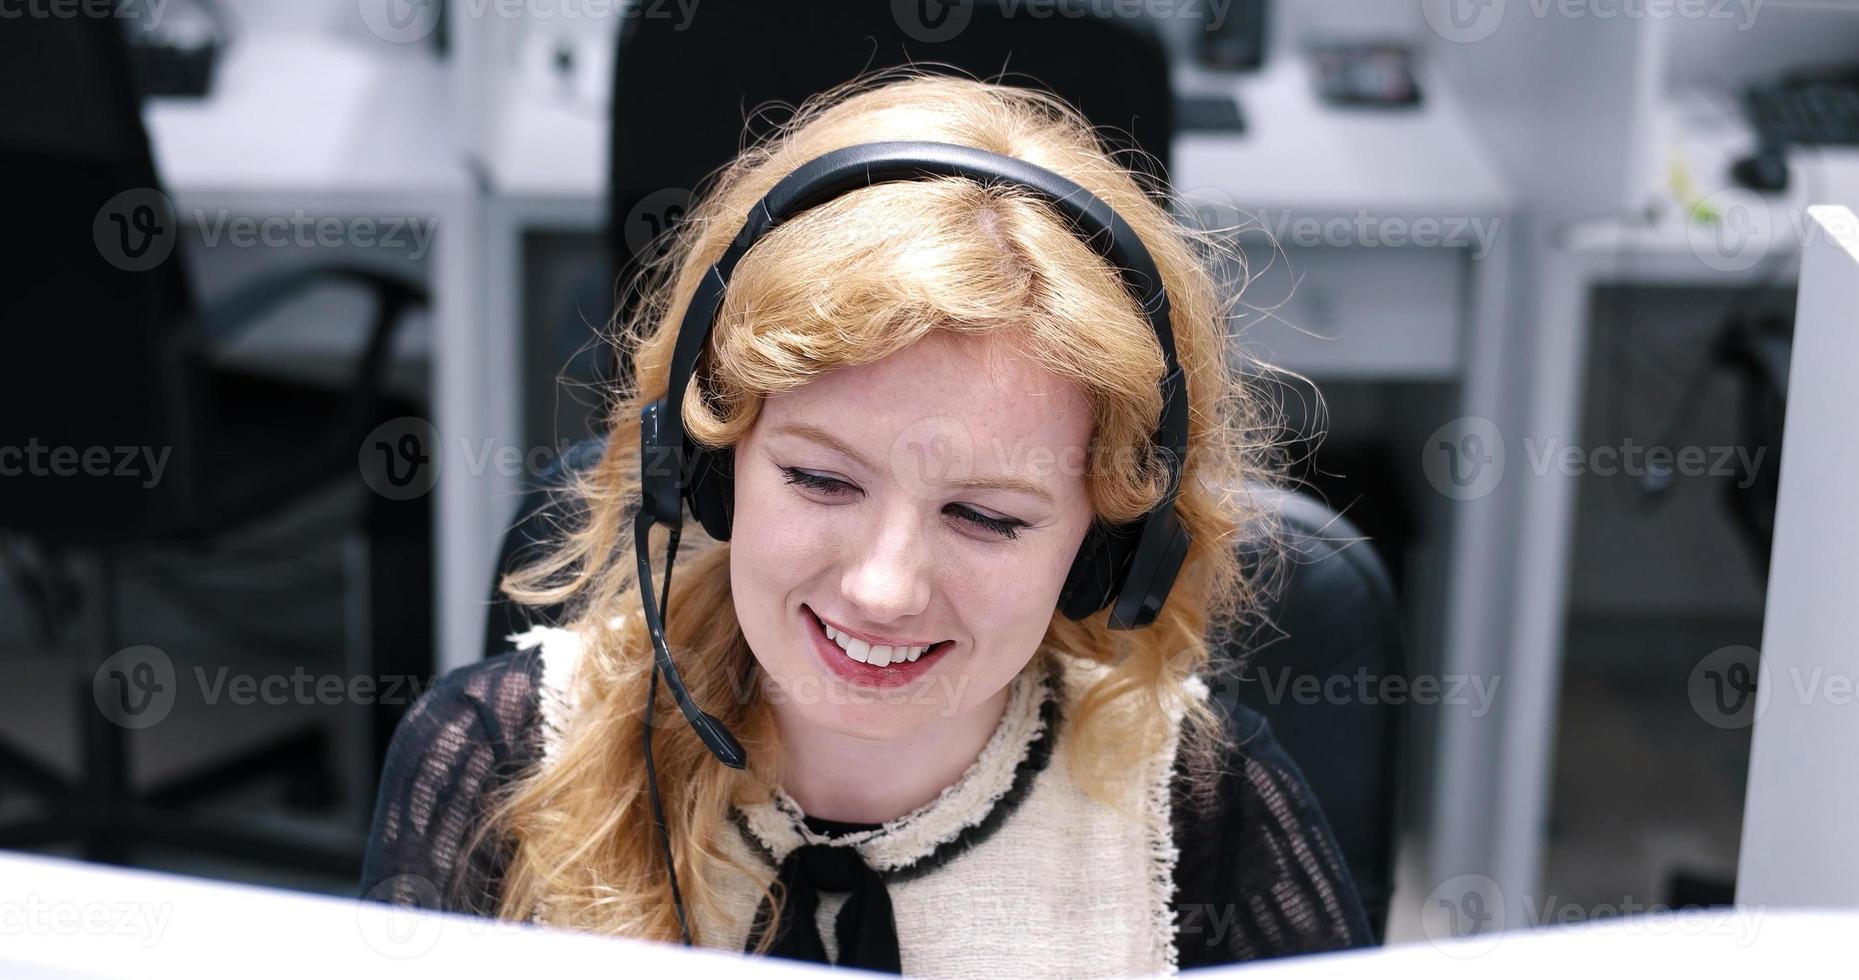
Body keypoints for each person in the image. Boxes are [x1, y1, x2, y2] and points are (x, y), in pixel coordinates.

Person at [359, 69, 1372, 975]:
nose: (882, 587)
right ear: (705, 469)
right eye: (821, 480)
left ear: (1109, 548)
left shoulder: (1205, 810)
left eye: (982, 515)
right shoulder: (491, 756)